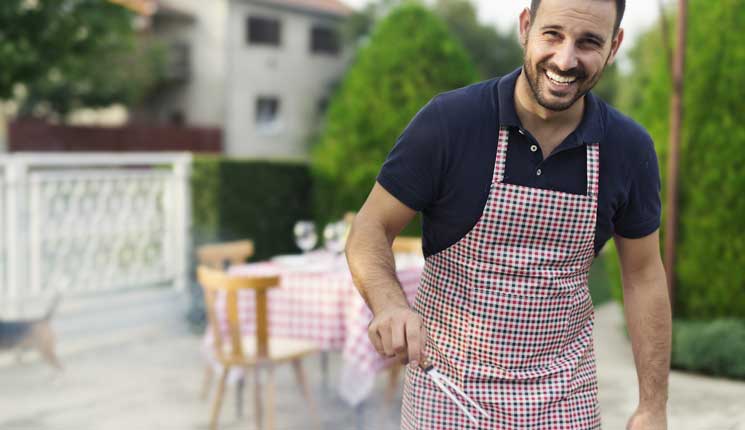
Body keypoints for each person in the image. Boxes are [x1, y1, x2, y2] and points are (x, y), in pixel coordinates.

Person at [345, 0, 672, 428]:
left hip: (563, 399)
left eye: (589, 42)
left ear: (614, 46)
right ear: (525, 26)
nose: (566, 59)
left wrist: (653, 406)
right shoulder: (451, 122)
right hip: (446, 389)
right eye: (552, 34)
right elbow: (369, 228)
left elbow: (644, 275)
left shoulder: (628, 149)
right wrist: (388, 304)